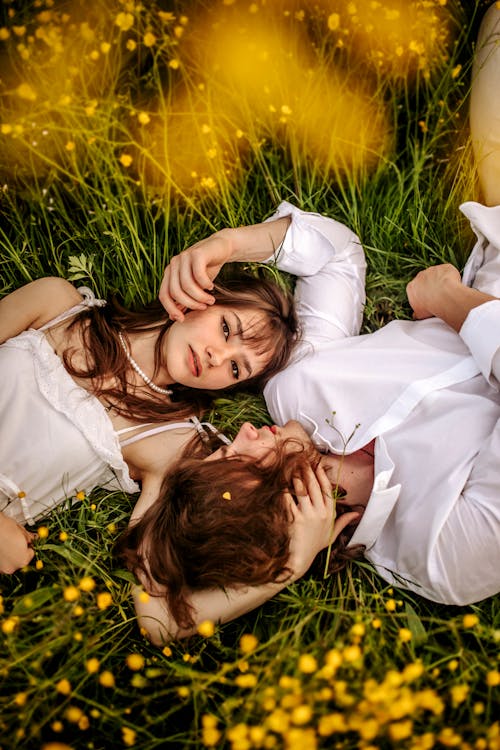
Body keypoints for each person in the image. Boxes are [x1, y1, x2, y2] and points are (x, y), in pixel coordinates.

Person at [124, 5, 500, 643]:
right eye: (239, 458)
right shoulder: (443, 555)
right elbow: (161, 626)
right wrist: (451, 302)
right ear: (282, 511)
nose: (238, 430)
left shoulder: (297, 393)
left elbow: (336, 257)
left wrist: (232, 244)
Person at [0, 272, 298, 574]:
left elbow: (155, 593)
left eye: (235, 368)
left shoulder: (170, 441)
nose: (216, 357)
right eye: (225, 328)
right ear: (200, 296)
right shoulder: (56, 304)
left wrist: (298, 558)